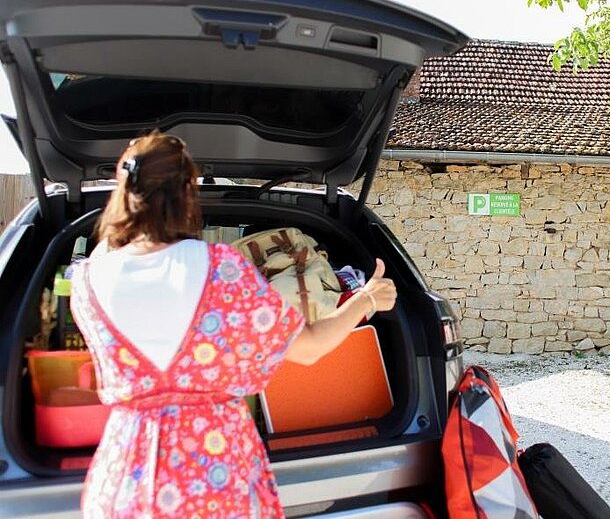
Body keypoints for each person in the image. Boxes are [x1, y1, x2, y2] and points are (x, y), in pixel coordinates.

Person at [69, 131, 397, 518]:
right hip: (214, 472)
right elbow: (308, 348)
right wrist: (366, 299)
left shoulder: (87, 279)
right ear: (186, 193)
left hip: (125, 475)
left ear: (123, 192)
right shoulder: (222, 269)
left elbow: (118, 254)